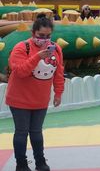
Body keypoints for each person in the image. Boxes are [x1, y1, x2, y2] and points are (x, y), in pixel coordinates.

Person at [6, 15, 64, 171]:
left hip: (40, 99)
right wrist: (37, 57)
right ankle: (21, 164)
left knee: (37, 133)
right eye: (41, 36)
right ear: (33, 33)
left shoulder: (56, 48)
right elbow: (20, 71)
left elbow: (58, 73)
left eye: (48, 36)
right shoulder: (21, 47)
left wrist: (58, 93)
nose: (44, 40)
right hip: (19, 99)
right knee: (22, 132)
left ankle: (40, 161)